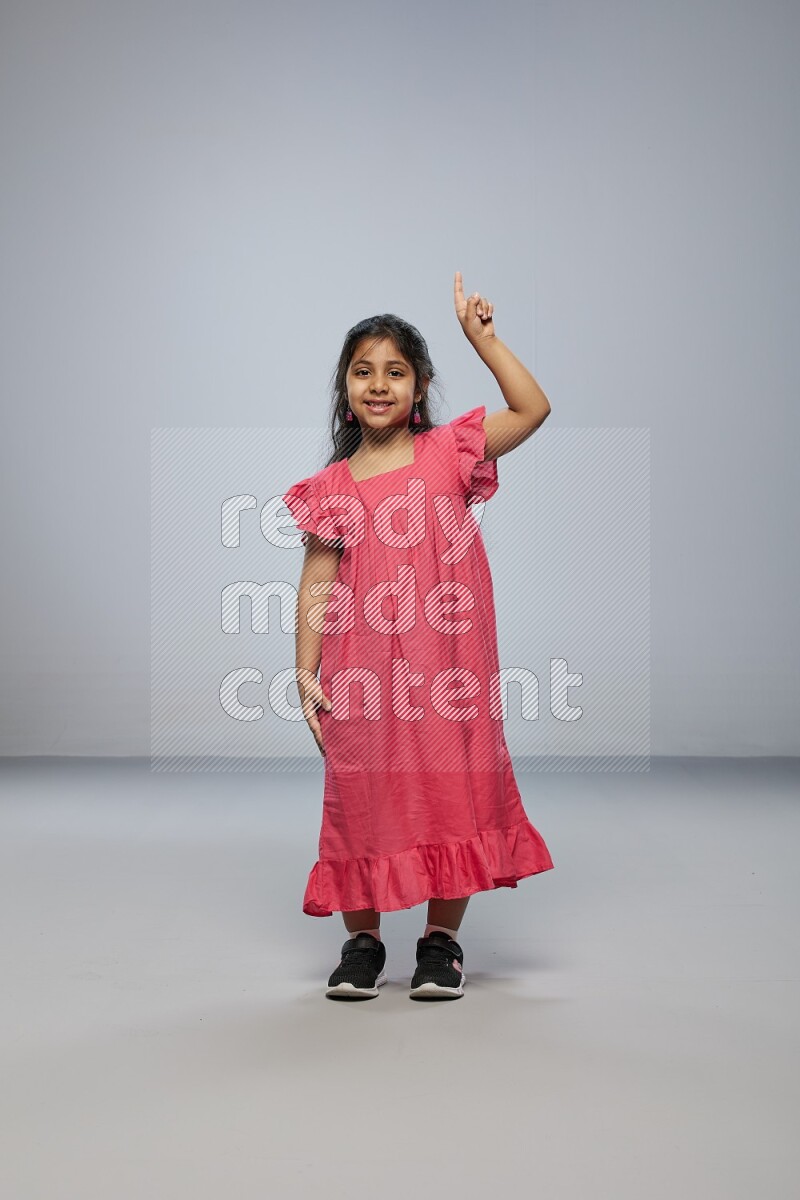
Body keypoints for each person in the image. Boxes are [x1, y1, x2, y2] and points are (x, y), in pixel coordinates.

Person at [281, 271, 555, 1001]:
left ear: (420, 385)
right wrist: (305, 670)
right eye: (363, 372)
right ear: (345, 389)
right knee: (359, 798)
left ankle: (441, 942)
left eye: (395, 372)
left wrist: (485, 340)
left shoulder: (450, 451)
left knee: (449, 791)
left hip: (447, 669)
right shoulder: (332, 486)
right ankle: (362, 942)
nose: (379, 385)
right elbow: (316, 582)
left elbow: (533, 409)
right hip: (361, 669)